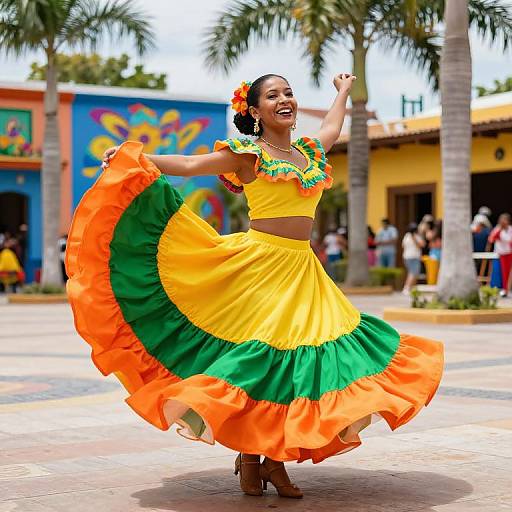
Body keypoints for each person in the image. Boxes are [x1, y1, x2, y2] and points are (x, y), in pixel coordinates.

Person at [66, 74, 443, 499]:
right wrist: (136, 156)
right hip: (259, 267)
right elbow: (191, 165)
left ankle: (269, 464)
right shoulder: (249, 155)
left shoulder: (309, 152)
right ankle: (254, 460)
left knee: (298, 365)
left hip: (302, 270)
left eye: (288, 93)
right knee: (264, 360)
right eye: (272, 95)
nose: (284, 100)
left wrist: (341, 91)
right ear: (255, 111)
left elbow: (332, 128)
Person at [488, 213, 512, 297]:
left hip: (508, 253)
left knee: (507, 273)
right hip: (499, 253)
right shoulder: (497, 229)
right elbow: (491, 239)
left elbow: (509, 240)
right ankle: (495, 289)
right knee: (497, 272)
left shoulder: (510, 229)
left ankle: (506, 290)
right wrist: (499, 231)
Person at [402, 223, 426, 294]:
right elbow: (422, 245)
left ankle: (412, 288)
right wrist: (414, 238)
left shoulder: (406, 236)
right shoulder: (415, 236)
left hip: (407, 257)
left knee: (413, 273)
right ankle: (406, 288)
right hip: (413, 257)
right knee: (413, 273)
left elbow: (403, 245)